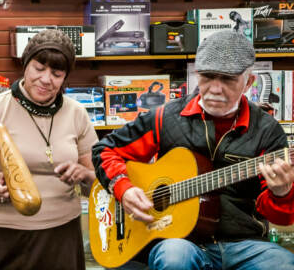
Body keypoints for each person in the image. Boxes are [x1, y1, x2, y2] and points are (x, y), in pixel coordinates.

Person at [92, 30, 294, 270]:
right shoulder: (166, 117)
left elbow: (280, 218)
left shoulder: (267, 130)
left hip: (244, 243)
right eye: (208, 77)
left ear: (248, 82)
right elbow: (106, 150)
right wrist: (124, 189)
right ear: (197, 74)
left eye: (228, 79)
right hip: (179, 240)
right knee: (175, 258)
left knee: (283, 264)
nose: (215, 89)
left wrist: (282, 192)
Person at [0, 29, 98, 270]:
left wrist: (83, 175)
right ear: (25, 65)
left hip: (62, 233)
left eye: (56, 73)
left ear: (65, 78)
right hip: (1, 236)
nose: (46, 79)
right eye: (39, 69)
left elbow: (97, 181)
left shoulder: (76, 113)